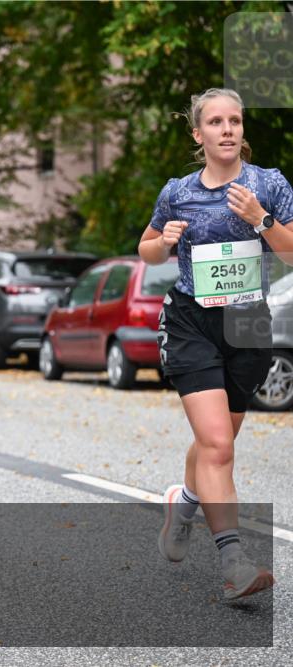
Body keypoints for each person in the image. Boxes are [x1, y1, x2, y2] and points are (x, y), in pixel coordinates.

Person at [139, 88, 293, 600]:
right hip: (192, 322)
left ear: (242, 129)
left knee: (216, 442)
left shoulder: (268, 185)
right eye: (216, 122)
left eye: (235, 121)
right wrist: (163, 242)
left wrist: (261, 219)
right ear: (198, 133)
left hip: (247, 325)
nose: (227, 129)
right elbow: (146, 248)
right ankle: (234, 563)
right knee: (219, 446)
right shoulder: (178, 191)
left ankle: (183, 503)